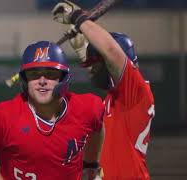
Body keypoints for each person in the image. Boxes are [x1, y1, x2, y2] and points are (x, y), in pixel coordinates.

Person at [0, 41, 105, 180]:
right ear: (25, 80)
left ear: (64, 78)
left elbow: (97, 129)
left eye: (50, 74)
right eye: (34, 74)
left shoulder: (89, 107)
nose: (42, 80)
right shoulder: (3, 115)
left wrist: (90, 165)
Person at [52, 1, 155, 179]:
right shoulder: (117, 96)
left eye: (95, 65)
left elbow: (110, 51)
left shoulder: (135, 90)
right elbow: (104, 63)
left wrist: (79, 17)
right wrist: (82, 47)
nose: (91, 70)